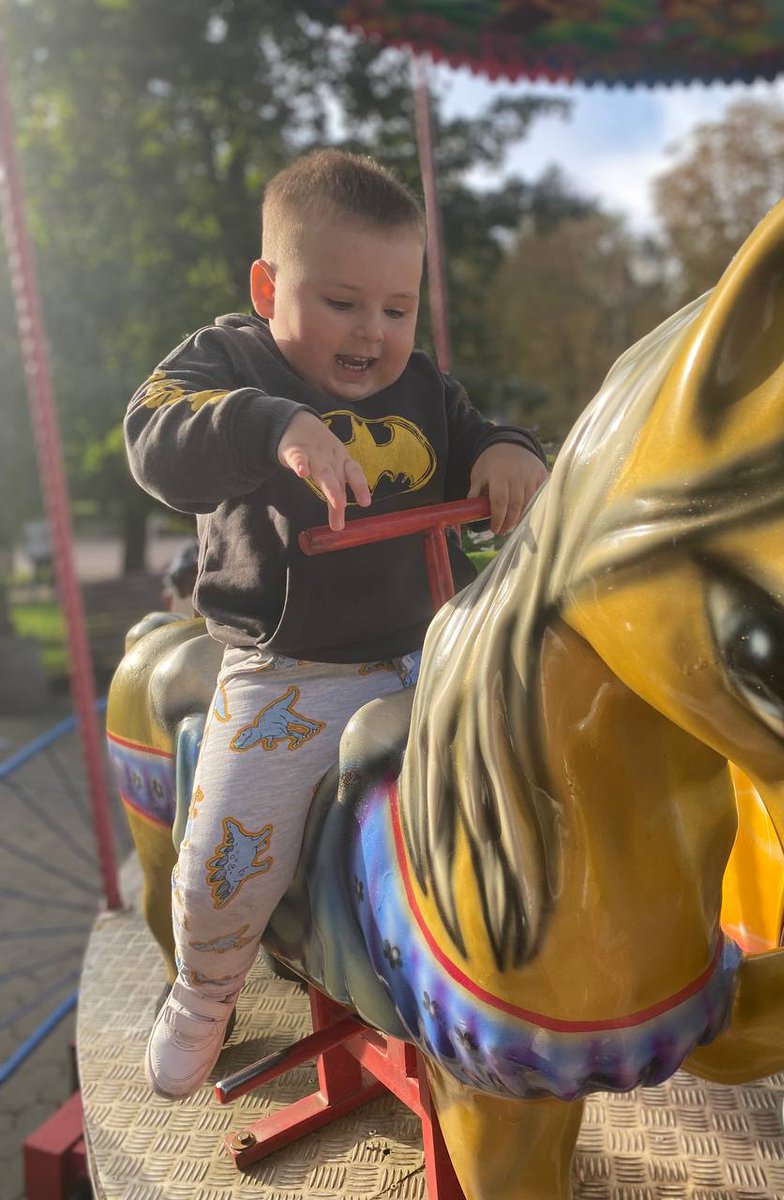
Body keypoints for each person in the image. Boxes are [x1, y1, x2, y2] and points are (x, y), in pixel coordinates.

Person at [124, 149, 548, 1100]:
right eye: (343, 303)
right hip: (290, 672)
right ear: (269, 287)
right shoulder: (227, 361)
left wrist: (510, 455)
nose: (373, 333)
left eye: (397, 310)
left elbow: (472, 432)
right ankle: (206, 986)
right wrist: (271, 425)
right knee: (234, 845)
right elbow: (152, 433)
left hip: (425, 653)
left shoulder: (423, 389)